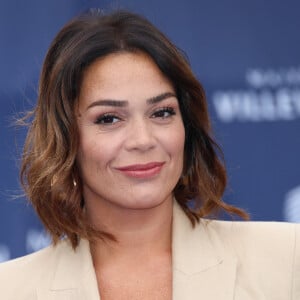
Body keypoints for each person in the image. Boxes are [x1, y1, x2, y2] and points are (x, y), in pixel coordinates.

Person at [0, 9, 299, 300]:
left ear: (187, 127)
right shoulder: (10, 289)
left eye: (162, 112)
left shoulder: (286, 260)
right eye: (109, 119)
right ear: (66, 139)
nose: (142, 140)